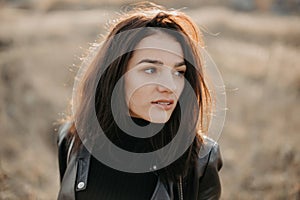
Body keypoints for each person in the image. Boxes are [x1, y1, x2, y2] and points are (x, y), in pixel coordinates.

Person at [57, 2, 223, 200]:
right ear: (115, 75)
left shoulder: (201, 159)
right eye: (151, 70)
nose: (169, 86)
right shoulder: (73, 137)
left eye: (179, 72)